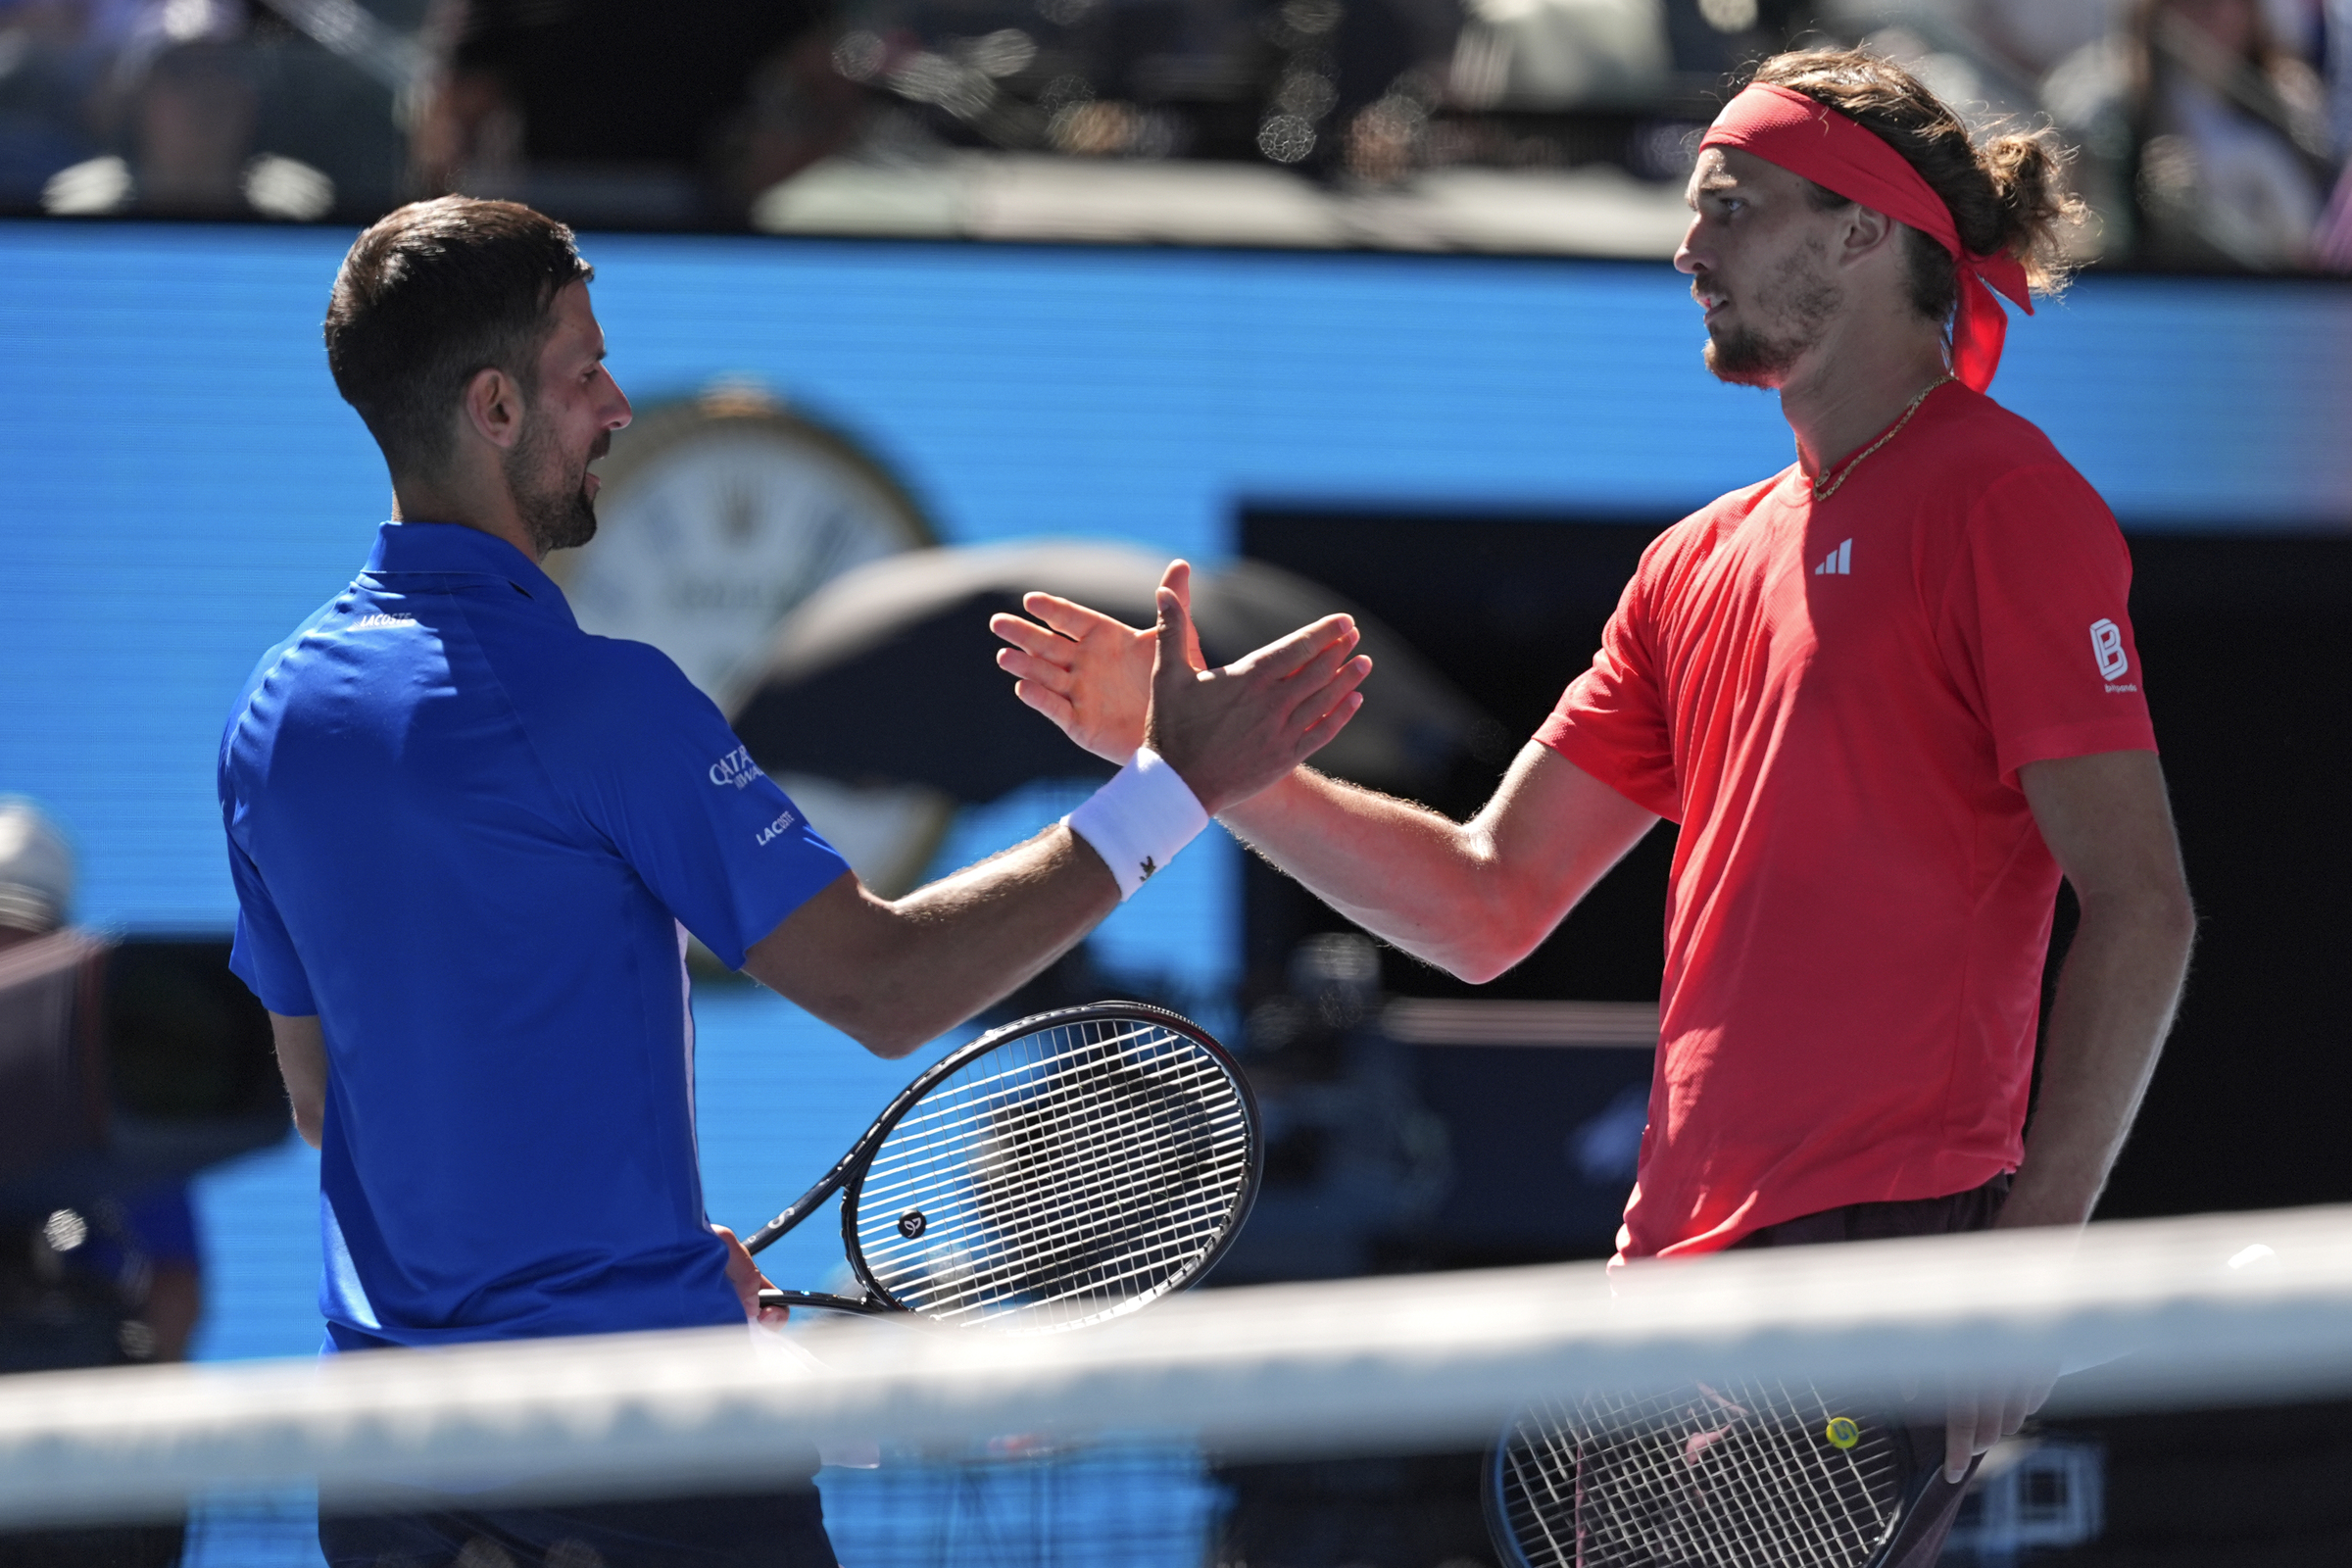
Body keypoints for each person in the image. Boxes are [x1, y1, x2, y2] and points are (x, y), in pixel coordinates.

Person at [993, 46, 2196, 1564]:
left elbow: (2144, 908)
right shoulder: (1691, 565)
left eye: (1731, 206)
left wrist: (2025, 1279)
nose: (1689, 246)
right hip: (1669, 1282)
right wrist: (1215, 772)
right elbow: (1487, 898)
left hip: (1883, 1257)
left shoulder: (2004, 502)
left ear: (1863, 233)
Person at [217, 196, 1369, 1568]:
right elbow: (886, 989)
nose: (618, 402)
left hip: (393, 1469)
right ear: (495, 409)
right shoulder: (603, 706)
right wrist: (1173, 789)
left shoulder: (273, 717)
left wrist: (619, 1247)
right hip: (637, 1449)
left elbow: (324, 1102)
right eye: (583, 371)